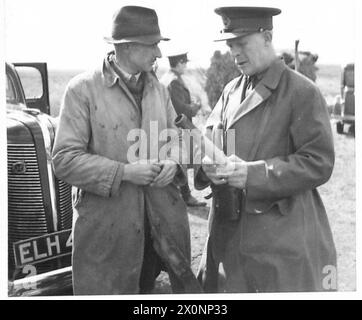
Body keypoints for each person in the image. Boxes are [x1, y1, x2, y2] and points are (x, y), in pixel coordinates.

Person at [52, 6, 194, 295]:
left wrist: (173, 164)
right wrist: (125, 172)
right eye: (153, 45)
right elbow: (64, 160)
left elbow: (179, 140)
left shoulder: (158, 88)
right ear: (127, 46)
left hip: (161, 226)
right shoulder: (82, 90)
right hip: (109, 233)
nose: (159, 53)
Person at [195, 7, 337, 292]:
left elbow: (319, 162)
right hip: (229, 237)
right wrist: (207, 166)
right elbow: (210, 144)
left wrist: (253, 175)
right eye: (231, 45)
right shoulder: (230, 91)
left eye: (242, 43)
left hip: (281, 240)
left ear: (267, 36)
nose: (235, 53)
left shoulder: (301, 92)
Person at [161, 52, 206, 207]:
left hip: (169, 126)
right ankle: (186, 197)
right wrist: (195, 107)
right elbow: (180, 108)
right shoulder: (174, 81)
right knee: (182, 159)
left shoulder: (167, 78)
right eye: (184, 63)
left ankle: (183, 195)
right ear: (179, 63)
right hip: (178, 126)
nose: (186, 66)